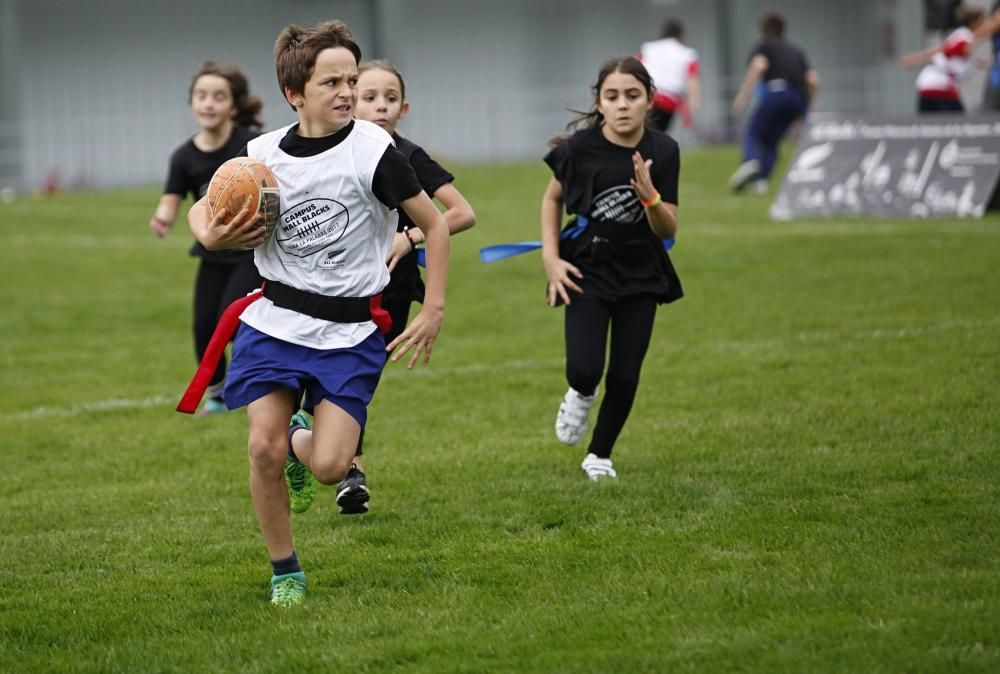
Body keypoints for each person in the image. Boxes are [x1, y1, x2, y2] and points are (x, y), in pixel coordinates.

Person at [187, 20, 450, 607]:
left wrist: (432, 308)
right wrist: (213, 235)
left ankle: (304, 437)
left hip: (351, 329)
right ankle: (285, 569)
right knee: (263, 449)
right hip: (274, 320)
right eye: (331, 81)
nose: (347, 92)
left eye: (351, 80)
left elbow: (433, 223)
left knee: (332, 467)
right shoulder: (259, 156)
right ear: (294, 94)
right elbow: (202, 213)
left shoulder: (374, 151)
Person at [339, 59, 476, 513]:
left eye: (390, 98)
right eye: (369, 96)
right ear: (350, 100)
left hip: (391, 291)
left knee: (356, 384)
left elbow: (461, 212)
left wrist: (409, 235)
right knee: (320, 378)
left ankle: (350, 472)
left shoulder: (408, 156)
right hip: (335, 287)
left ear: (404, 107)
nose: (380, 106)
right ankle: (319, 452)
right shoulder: (336, 151)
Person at [541, 56, 682, 481]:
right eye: (613, 96)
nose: (623, 105)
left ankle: (600, 454)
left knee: (625, 373)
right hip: (587, 267)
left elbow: (668, 227)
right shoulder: (578, 150)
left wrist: (650, 197)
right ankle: (581, 393)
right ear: (599, 103)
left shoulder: (664, 150)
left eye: (632, 96)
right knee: (584, 369)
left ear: (650, 101)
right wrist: (551, 259)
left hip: (641, 272)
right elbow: (552, 200)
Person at [149, 63, 265, 415]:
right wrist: (163, 217)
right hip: (211, 253)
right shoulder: (184, 156)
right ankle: (217, 396)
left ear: (233, 106)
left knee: (230, 323)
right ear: (192, 104)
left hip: (248, 252)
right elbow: (171, 197)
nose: (209, 103)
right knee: (203, 330)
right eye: (202, 96)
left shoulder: (252, 145)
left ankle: (262, 386)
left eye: (218, 97)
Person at [729, 10, 819, 194]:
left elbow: (758, 66)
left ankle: (750, 161)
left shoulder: (764, 46)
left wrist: (742, 98)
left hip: (777, 91)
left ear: (763, 31)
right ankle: (761, 182)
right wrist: (805, 108)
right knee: (772, 141)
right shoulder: (796, 50)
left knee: (753, 133)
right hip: (797, 98)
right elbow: (813, 79)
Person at [899, 6, 985, 113]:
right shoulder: (964, 39)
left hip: (927, 85)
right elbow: (941, 52)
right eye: (982, 22)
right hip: (939, 85)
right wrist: (916, 59)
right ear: (973, 22)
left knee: (929, 125)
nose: (985, 26)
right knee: (959, 123)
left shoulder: (961, 36)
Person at [637, 18, 700, 133]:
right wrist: (693, 103)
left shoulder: (648, 49)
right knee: (656, 135)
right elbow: (692, 80)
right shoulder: (688, 54)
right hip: (668, 101)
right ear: (680, 35)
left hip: (646, 95)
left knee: (643, 133)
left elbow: (635, 70)